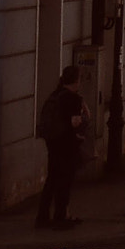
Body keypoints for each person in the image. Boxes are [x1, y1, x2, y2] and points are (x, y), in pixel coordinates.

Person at [35, 64, 88, 229]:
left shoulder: (55, 94)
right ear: (76, 80)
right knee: (65, 180)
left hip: (53, 143)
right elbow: (78, 122)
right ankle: (61, 215)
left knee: (52, 179)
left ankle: (43, 216)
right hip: (67, 144)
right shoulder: (73, 98)